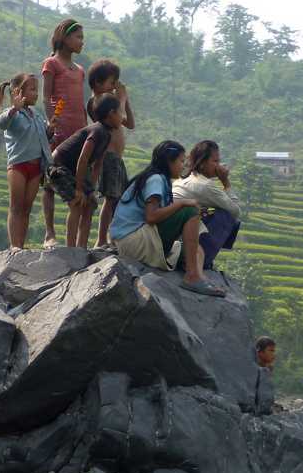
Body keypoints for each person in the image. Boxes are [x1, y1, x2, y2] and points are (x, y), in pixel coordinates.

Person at [108, 140, 222, 296]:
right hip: (133, 240)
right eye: (181, 161)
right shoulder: (156, 179)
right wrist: (182, 204)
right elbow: (151, 216)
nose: (183, 165)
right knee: (189, 211)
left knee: (195, 249)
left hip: (130, 240)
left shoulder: (159, 179)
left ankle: (197, 275)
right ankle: (192, 277)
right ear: (169, 161)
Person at [47, 94, 122, 248]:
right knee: (77, 202)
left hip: (74, 170)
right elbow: (83, 158)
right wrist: (79, 189)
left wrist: (90, 189)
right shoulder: (97, 131)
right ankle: (71, 249)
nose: (122, 117)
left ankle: (81, 247)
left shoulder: (107, 135)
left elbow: (97, 164)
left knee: (90, 203)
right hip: (59, 166)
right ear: (111, 113)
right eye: (120, 112)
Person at [0, 72, 56, 250]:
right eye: (32, 89)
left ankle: (21, 245)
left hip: (36, 167)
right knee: (16, 206)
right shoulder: (12, 114)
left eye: (36, 90)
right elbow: (1, 123)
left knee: (26, 208)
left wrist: (50, 131)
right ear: (17, 91)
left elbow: (43, 138)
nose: (36, 93)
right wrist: (14, 109)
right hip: (18, 165)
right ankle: (14, 245)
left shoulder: (36, 115)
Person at [40, 19, 86, 248]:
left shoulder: (80, 70)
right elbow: (46, 97)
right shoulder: (52, 64)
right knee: (50, 182)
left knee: (78, 183)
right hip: (59, 130)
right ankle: (49, 233)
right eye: (78, 37)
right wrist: (52, 123)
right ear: (65, 38)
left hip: (78, 131)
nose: (82, 42)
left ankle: (75, 241)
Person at [86, 59, 135, 249]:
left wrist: (125, 100)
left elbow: (130, 123)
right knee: (110, 197)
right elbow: (117, 119)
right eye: (111, 82)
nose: (114, 86)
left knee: (118, 199)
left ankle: (112, 237)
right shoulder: (96, 102)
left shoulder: (114, 104)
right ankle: (101, 239)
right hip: (107, 156)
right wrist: (120, 99)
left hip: (117, 158)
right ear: (98, 83)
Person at [173, 140, 241, 269]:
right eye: (215, 161)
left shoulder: (183, 179)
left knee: (209, 211)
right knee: (225, 216)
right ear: (202, 163)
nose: (218, 166)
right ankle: (200, 260)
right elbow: (236, 211)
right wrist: (225, 182)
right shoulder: (205, 185)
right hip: (179, 239)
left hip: (174, 235)